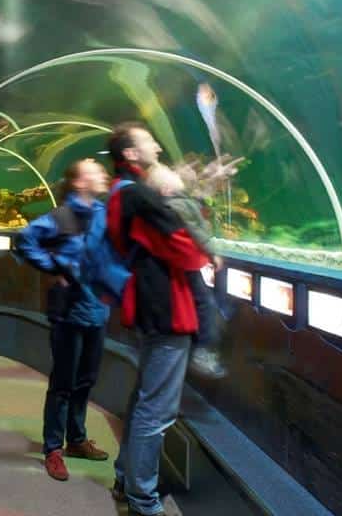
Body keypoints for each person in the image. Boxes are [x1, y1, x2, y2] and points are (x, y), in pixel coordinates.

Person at [106, 122, 211, 516]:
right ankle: (143, 500)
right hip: (166, 309)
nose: (155, 143)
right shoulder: (137, 196)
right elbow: (184, 248)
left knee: (143, 401)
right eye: (147, 139)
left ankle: (126, 478)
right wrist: (206, 253)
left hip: (149, 308)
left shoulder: (122, 194)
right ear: (130, 154)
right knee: (157, 411)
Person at [14, 159, 111, 482]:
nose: (102, 173)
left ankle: (78, 439)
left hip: (97, 310)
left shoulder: (101, 214)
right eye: (93, 170)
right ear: (80, 183)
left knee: (86, 380)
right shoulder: (61, 217)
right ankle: (53, 448)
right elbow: (25, 239)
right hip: (69, 313)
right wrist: (52, 268)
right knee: (63, 384)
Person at [144, 162, 227, 379]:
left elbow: (193, 206)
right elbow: (195, 230)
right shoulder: (175, 207)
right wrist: (211, 252)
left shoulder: (178, 202)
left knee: (206, 303)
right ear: (166, 190)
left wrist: (205, 189)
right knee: (206, 303)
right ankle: (203, 349)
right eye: (172, 173)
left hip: (183, 269)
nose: (177, 172)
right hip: (185, 268)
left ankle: (203, 345)